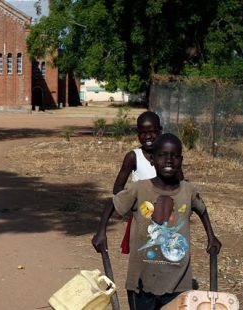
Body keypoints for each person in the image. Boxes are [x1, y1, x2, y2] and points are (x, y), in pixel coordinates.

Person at [92, 134, 221, 309]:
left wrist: (211, 236)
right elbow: (112, 204)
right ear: (152, 159)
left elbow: (202, 209)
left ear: (181, 160)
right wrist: (101, 232)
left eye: (175, 156)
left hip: (178, 282)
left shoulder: (188, 190)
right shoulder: (139, 188)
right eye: (162, 155)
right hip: (142, 283)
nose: (169, 161)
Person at [112, 112, 184, 254]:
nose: (148, 137)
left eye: (152, 132)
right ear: (137, 133)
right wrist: (134, 204)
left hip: (168, 217)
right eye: (143, 133)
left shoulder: (168, 156)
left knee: (166, 257)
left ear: (160, 130)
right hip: (142, 218)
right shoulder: (133, 157)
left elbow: (181, 184)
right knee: (143, 256)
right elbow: (117, 189)